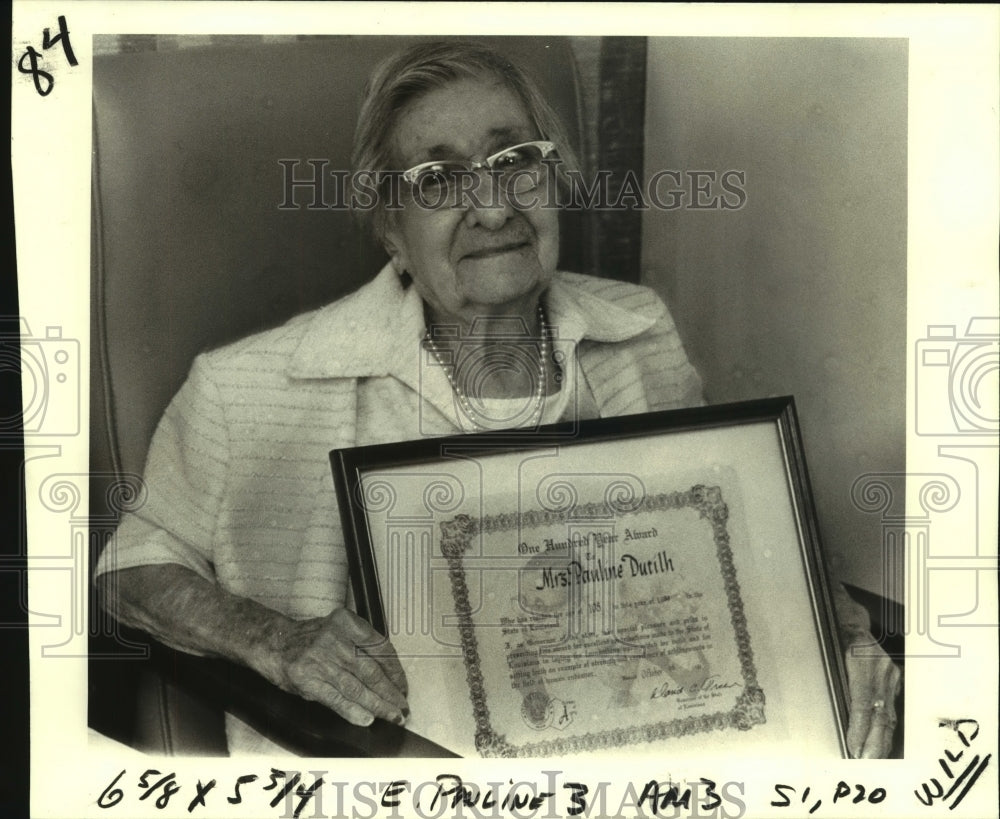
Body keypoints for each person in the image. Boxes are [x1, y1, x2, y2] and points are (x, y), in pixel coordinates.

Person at [96, 40, 901, 757]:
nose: (492, 205)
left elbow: (744, 520)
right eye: (440, 178)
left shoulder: (637, 333)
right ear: (390, 226)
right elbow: (129, 571)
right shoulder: (249, 386)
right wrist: (274, 639)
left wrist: (844, 633)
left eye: (516, 159)